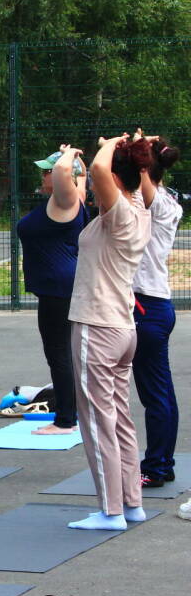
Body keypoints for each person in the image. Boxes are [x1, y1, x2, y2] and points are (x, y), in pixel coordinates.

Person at [66, 134, 153, 531]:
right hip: (121, 329)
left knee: (98, 422)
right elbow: (125, 172)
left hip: (97, 327)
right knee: (119, 420)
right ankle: (131, 504)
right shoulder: (140, 207)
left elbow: (101, 168)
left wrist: (114, 144)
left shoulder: (121, 216)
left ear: (116, 180)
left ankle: (111, 511)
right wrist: (130, 148)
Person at [16, 146, 87, 436]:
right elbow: (80, 177)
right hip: (59, 287)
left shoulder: (64, 200)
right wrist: (76, 161)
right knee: (64, 352)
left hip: (57, 289)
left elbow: (64, 172)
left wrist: (67, 157)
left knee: (58, 353)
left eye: (48, 171)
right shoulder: (73, 198)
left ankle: (65, 420)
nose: (44, 175)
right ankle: (71, 414)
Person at [132, 136, 181, 488]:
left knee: (155, 394)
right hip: (155, 305)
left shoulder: (158, 202)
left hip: (147, 306)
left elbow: (142, 177)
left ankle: (156, 467)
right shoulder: (167, 199)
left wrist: (136, 149)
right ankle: (163, 462)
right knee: (161, 391)